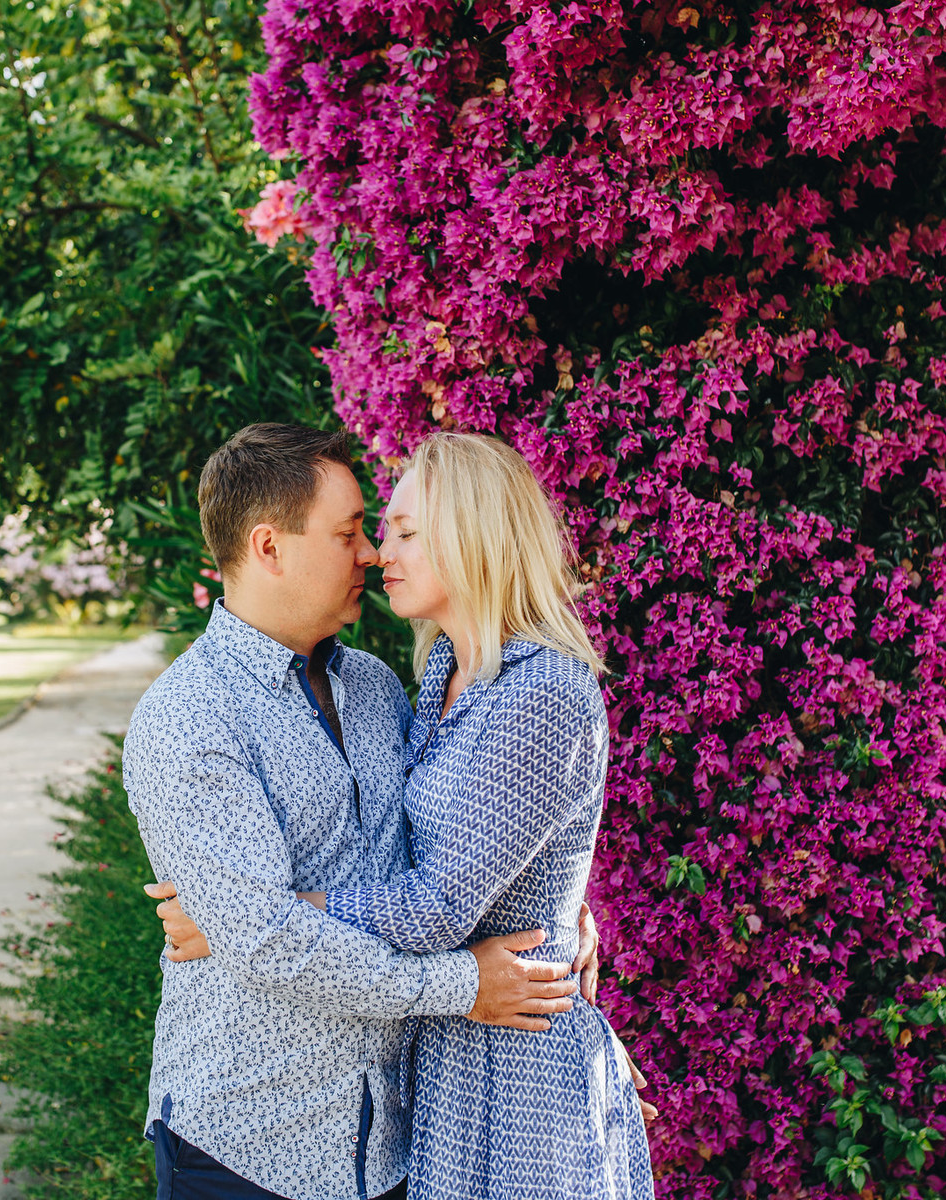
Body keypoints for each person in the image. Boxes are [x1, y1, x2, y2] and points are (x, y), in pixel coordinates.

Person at [154, 431, 656, 1199]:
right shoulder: (190, 716)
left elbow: (453, 874)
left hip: (411, 1129)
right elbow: (275, 942)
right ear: (269, 547)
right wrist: (248, 925)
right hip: (249, 1147)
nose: (371, 553)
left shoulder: (383, 690)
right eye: (353, 532)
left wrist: (560, 917)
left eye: (393, 532)